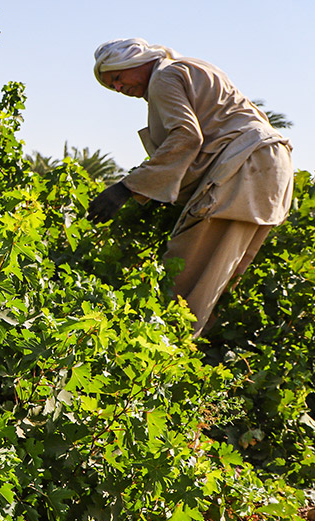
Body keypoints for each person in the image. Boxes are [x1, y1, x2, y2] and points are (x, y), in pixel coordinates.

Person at [87, 38, 293, 337]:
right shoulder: (189, 67)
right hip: (268, 169)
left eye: (117, 78)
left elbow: (186, 137)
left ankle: (162, 356)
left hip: (245, 167)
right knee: (213, 278)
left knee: (182, 280)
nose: (118, 89)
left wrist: (125, 188)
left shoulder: (163, 76)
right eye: (111, 87)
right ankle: (189, 355)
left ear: (135, 62)